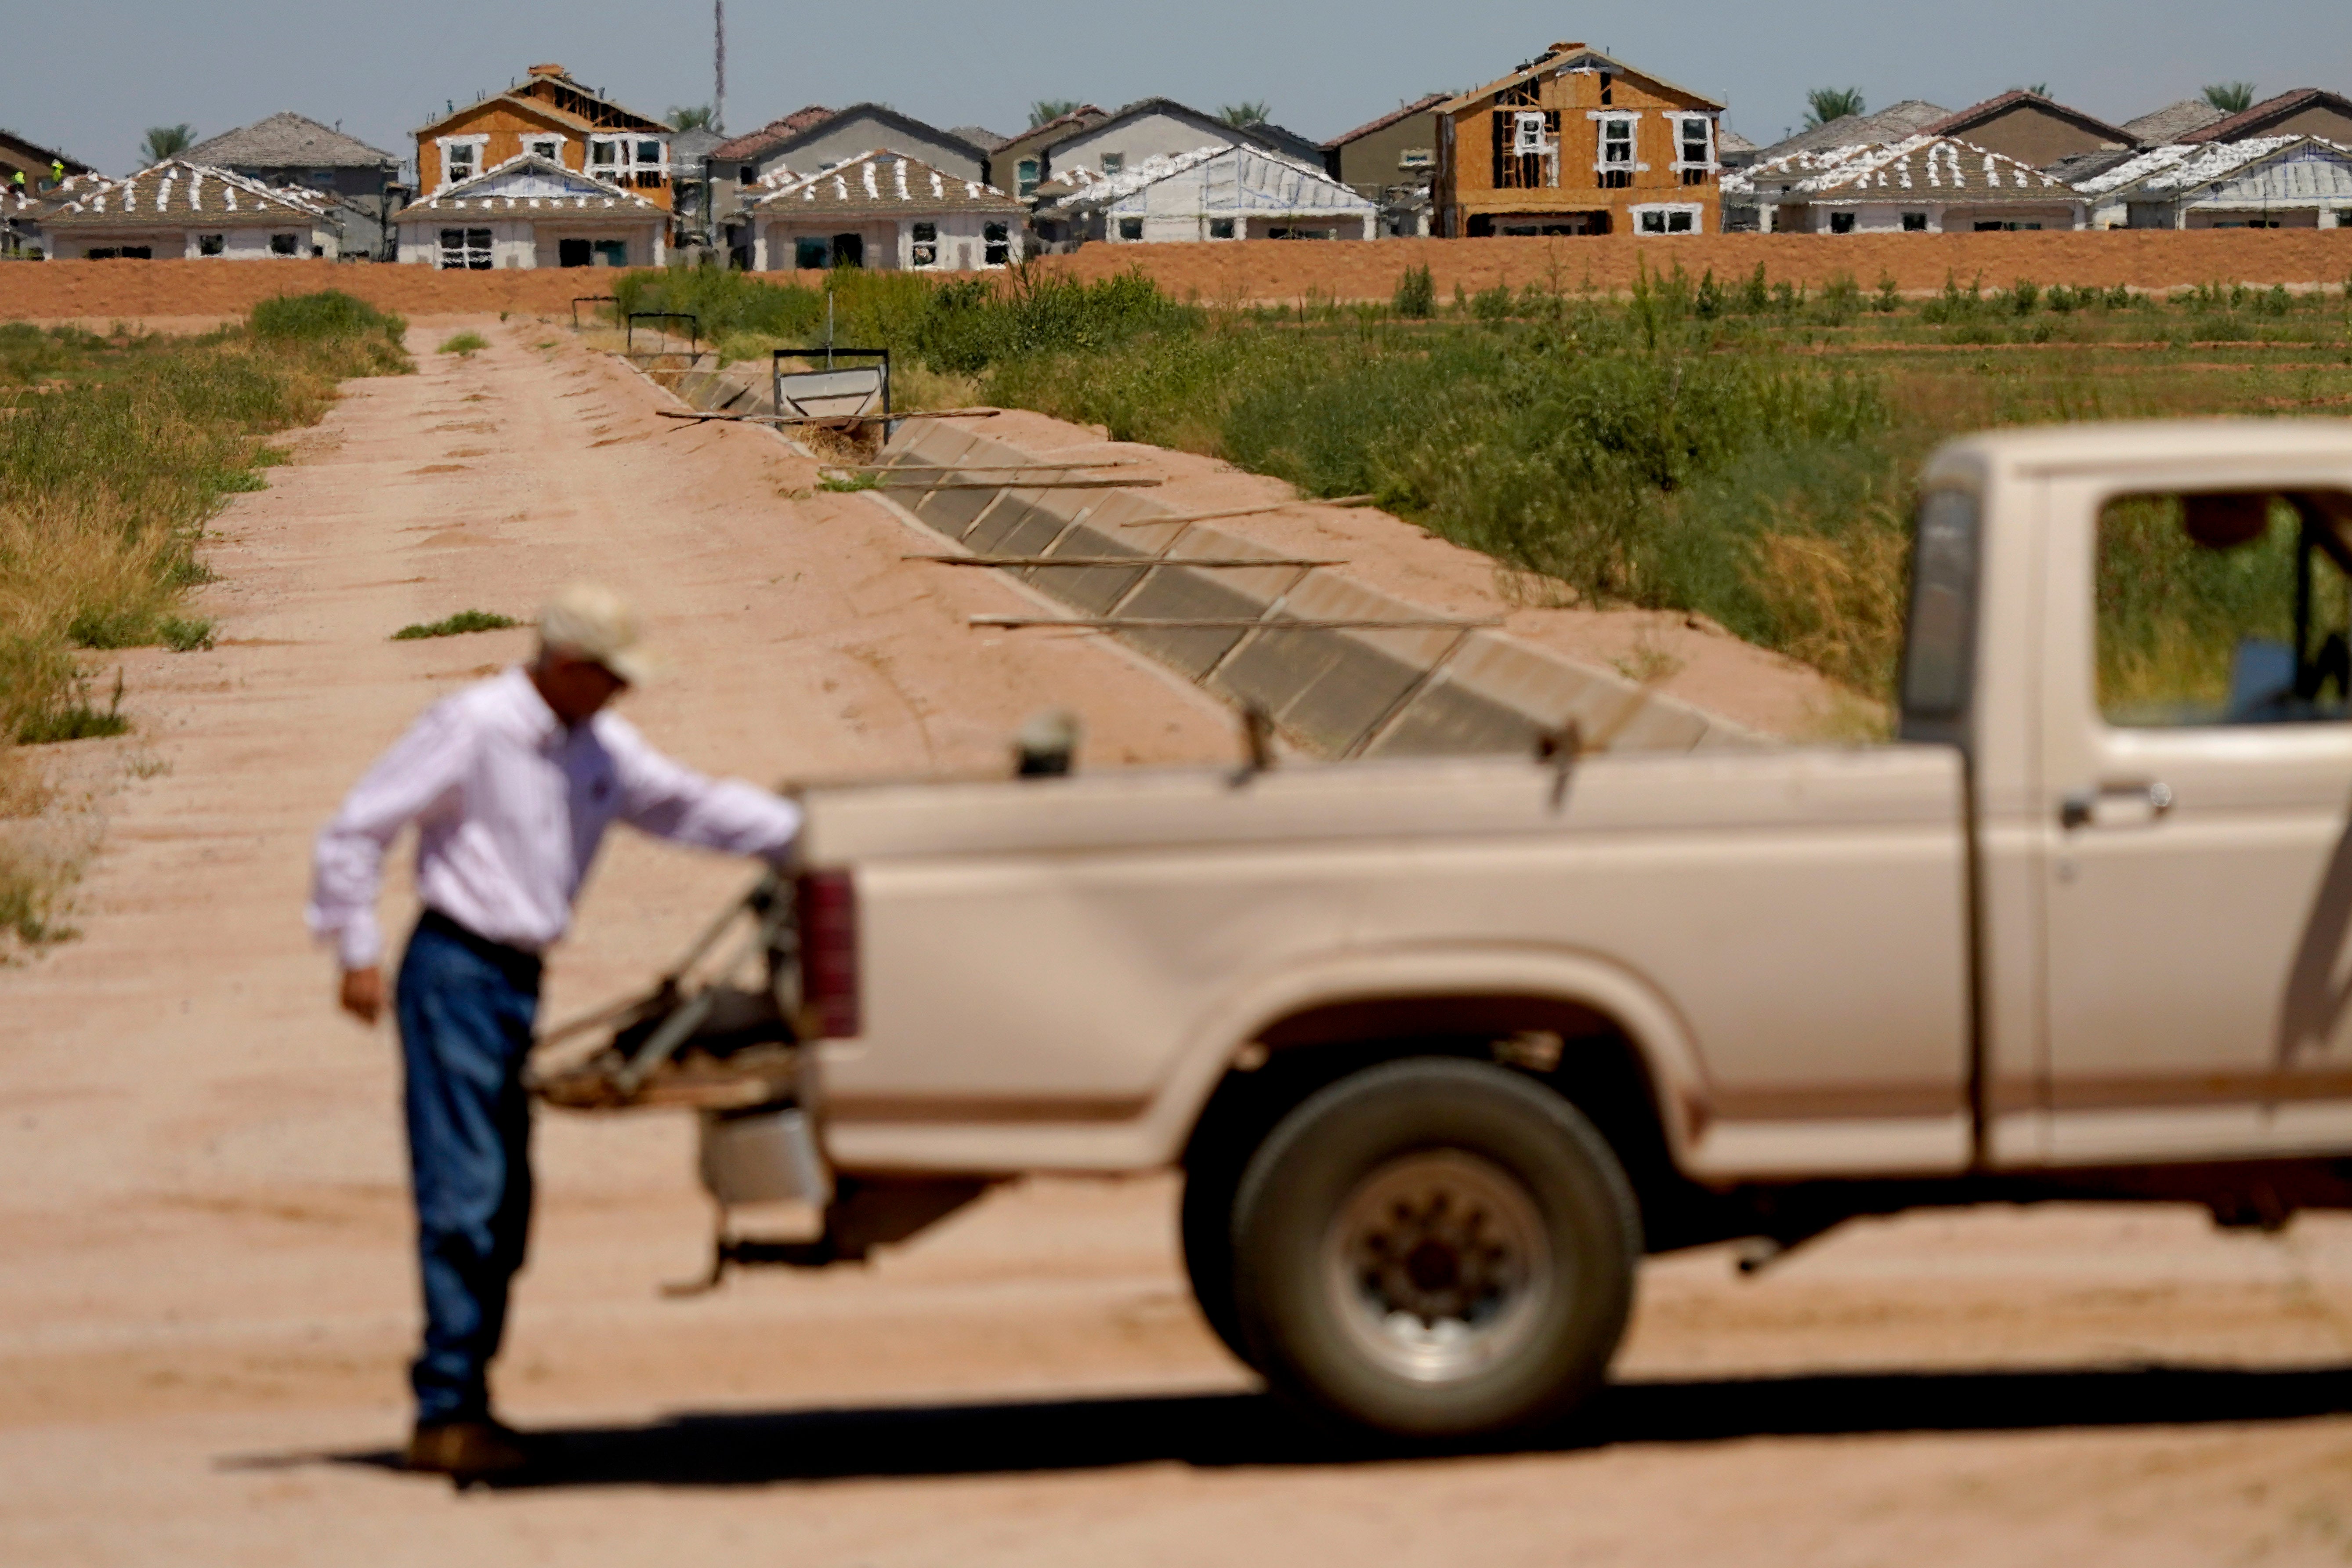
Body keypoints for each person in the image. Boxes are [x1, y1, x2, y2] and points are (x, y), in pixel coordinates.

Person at [307, 583, 802, 1479]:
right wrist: (356, 948)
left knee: (504, 1204)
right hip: (456, 973)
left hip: (513, 983)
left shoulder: (595, 744)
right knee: (467, 1195)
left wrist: (814, 837)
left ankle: (464, 1403)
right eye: (610, 676)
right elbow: (359, 827)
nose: (622, 693)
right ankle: (446, 1411)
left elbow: (689, 806)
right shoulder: (475, 724)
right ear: (568, 666)